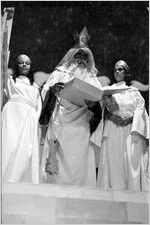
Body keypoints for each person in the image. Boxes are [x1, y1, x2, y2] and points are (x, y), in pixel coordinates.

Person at [40, 28, 102, 186]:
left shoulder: (91, 77)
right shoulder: (59, 73)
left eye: (84, 56)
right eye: (78, 55)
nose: (80, 58)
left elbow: (98, 101)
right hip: (61, 121)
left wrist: (94, 105)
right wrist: (54, 91)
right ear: (72, 56)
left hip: (81, 125)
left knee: (79, 166)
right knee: (58, 170)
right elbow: (46, 92)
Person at [94, 60, 149, 191]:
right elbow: (101, 112)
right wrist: (110, 115)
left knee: (129, 160)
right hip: (113, 128)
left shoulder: (133, 91)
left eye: (120, 69)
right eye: (115, 70)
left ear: (126, 73)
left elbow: (140, 109)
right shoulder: (108, 91)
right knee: (113, 160)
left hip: (130, 130)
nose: (117, 72)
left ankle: (131, 191)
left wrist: (130, 119)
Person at [2, 54, 42, 183]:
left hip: (28, 118)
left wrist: (34, 120)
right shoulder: (10, 81)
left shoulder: (35, 88)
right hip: (11, 116)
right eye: (21, 62)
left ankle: (20, 180)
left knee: (25, 149)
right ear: (17, 65)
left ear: (31, 67)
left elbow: (38, 106)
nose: (24, 64)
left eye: (27, 63)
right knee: (9, 145)